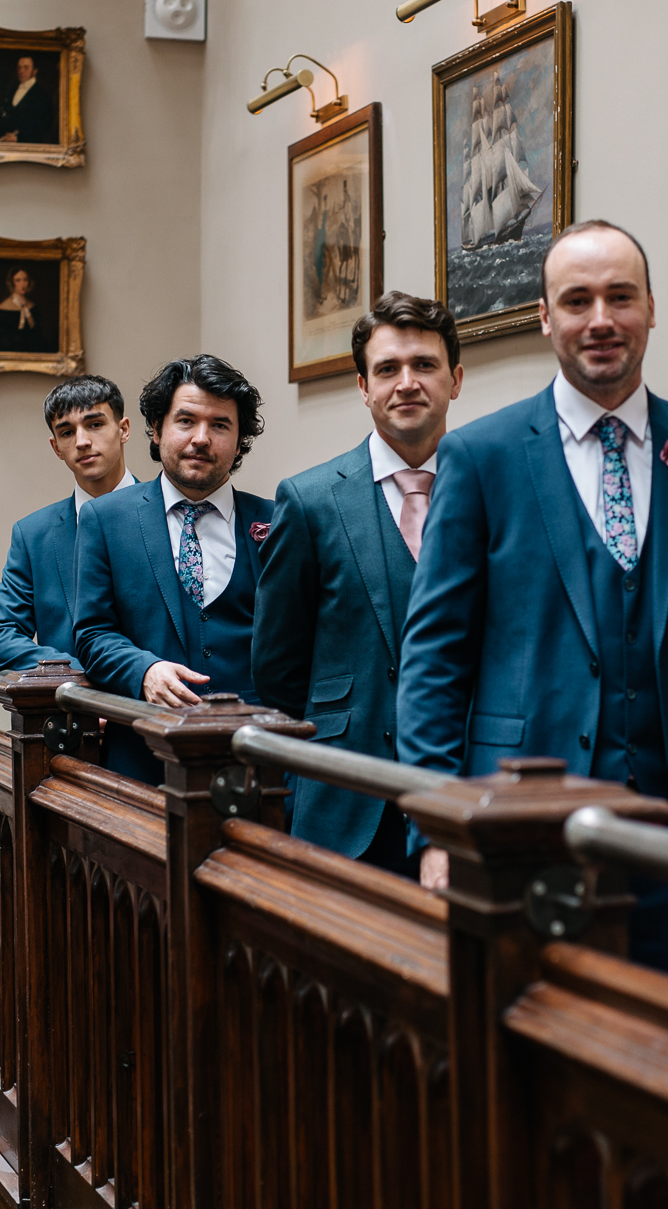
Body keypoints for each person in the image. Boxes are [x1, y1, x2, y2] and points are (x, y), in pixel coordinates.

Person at [396, 220, 668, 986]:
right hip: (515, 824)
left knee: (664, 1038)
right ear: (546, 317)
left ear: (652, 308)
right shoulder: (480, 456)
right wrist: (436, 828)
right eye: (577, 300)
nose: (601, 319)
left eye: (620, 296)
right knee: (521, 1044)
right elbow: (435, 658)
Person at [254, 293, 463, 882]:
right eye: (388, 369)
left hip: (465, 800)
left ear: (455, 379)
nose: (407, 383)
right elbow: (278, 666)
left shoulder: (494, 491)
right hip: (344, 799)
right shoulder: (310, 499)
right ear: (363, 387)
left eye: (424, 365)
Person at [73, 356, 273, 784]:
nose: (201, 438)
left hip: (257, 763)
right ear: (156, 428)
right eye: (186, 421)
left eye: (220, 425)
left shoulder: (277, 523)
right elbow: (92, 633)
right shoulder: (106, 520)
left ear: (240, 440)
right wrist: (142, 671)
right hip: (143, 760)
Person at [0, 376, 138, 671]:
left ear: (123, 429)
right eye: (67, 432)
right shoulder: (34, 535)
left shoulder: (169, 514)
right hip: (75, 710)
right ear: (56, 447)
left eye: (95, 424)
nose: (82, 441)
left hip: (163, 708)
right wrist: (81, 678)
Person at [0, 54, 56, 145]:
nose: (21, 71)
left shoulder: (42, 96)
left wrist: (18, 138)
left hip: (27, 145)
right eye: (19, 68)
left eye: (26, 68)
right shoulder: (13, 91)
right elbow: (3, 115)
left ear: (35, 71)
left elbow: (43, 128)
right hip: (4, 141)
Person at [0, 266, 56, 353]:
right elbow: (2, 341)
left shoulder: (33, 307)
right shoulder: (3, 309)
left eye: (25, 280)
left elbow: (37, 336)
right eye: (18, 280)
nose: (22, 284)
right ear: (12, 283)